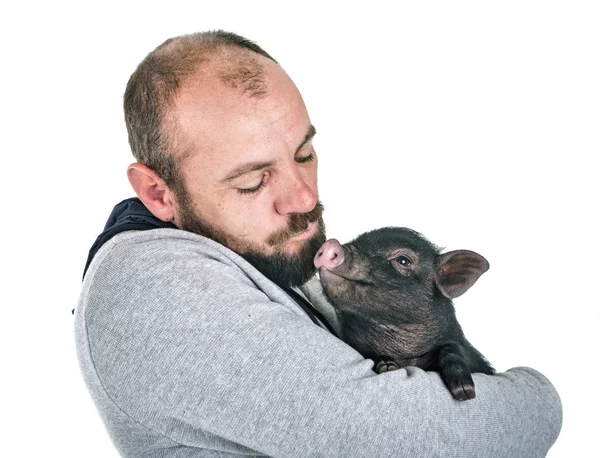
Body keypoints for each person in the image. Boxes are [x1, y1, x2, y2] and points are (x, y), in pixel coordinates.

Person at [74, 30, 562, 458]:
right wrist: (539, 399)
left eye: (303, 154)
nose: (304, 197)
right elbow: (404, 436)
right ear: (159, 193)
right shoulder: (153, 284)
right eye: (251, 182)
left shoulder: (260, 255)